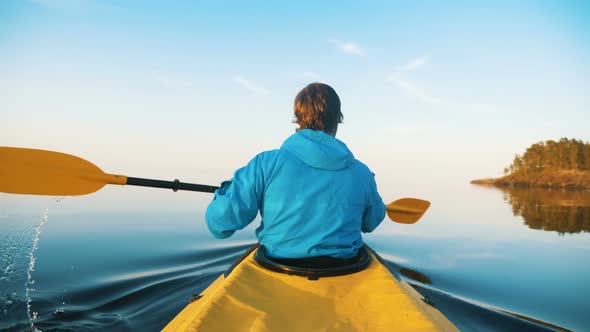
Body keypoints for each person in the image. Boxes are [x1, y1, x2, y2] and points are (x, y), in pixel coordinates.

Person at [205, 83, 386, 265]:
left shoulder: (265, 164)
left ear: (298, 118)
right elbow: (371, 222)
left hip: (277, 265)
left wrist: (229, 190)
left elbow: (220, 224)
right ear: (337, 119)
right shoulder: (362, 173)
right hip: (344, 267)